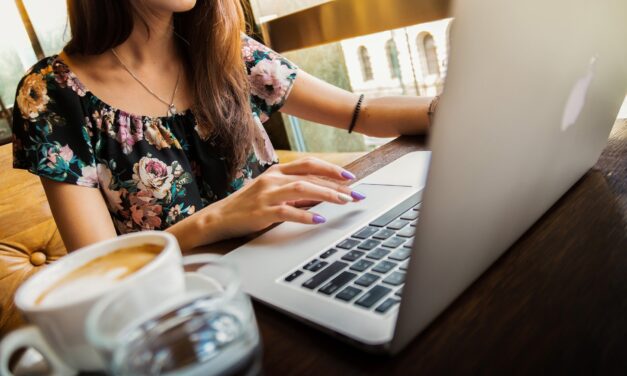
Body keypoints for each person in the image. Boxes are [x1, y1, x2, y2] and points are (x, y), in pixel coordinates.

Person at [11, 0, 435, 252]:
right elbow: (102, 271)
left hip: (292, 256)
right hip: (185, 317)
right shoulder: (51, 95)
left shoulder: (224, 50)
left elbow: (360, 111)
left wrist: (455, 106)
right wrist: (218, 219)